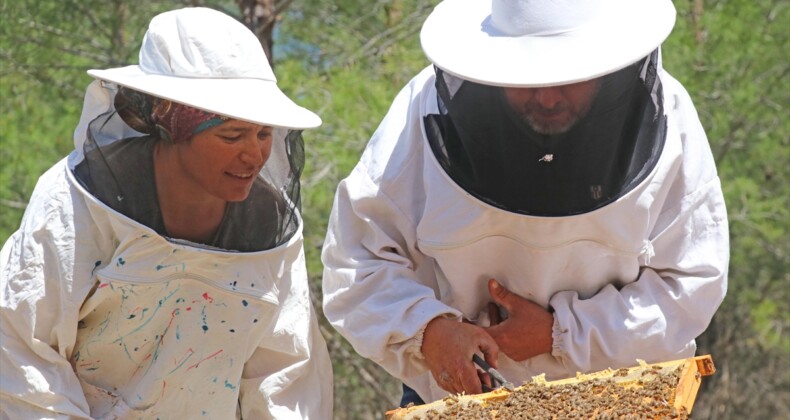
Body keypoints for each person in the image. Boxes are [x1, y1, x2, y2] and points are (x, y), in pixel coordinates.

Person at [321, 0, 729, 406]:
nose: (547, 99)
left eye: (570, 77)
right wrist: (427, 331)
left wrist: (564, 331)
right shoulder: (423, 112)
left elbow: (692, 284)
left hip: (621, 397)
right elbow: (357, 261)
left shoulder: (669, 116)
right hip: (464, 398)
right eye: (527, 79)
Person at [0, 7, 332, 419]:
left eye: (264, 134)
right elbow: (22, 352)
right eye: (232, 135)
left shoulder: (268, 225)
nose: (255, 154)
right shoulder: (76, 205)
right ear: (169, 124)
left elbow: (284, 369)